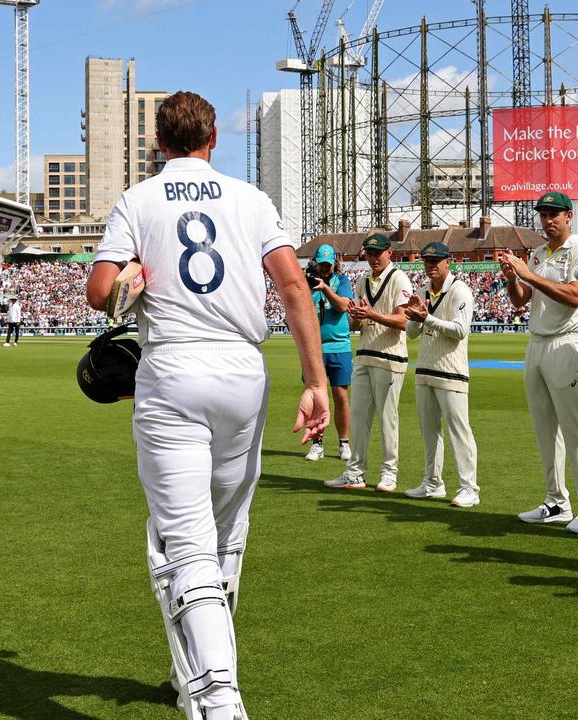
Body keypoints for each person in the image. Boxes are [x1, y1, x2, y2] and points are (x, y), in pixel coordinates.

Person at [84, 90, 328, 720]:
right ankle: (188, 670)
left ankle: (219, 700)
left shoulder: (137, 200)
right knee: (226, 535)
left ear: (158, 143)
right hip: (243, 369)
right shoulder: (250, 198)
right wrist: (315, 381)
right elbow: (293, 283)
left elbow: (99, 292)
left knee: (185, 546)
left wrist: (134, 271)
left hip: (174, 368)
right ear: (212, 138)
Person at [501, 192, 578, 527]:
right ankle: (556, 502)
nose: (547, 221)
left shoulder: (575, 249)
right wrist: (511, 278)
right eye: (543, 215)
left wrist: (529, 276)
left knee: (574, 430)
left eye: (554, 215)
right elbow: (521, 301)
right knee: (545, 430)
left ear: (569, 217)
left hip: (565, 343)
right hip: (536, 344)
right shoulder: (537, 254)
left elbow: (576, 296)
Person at [325, 232, 412, 492]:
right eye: (370, 254)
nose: (373, 258)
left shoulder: (399, 279)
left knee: (388, 418)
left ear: (389, 254)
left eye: (378, 253)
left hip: (390, 357)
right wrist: (355, 315)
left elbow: (403, 322)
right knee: (360, 417)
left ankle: (389, 473)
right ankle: (355, 472)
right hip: (364, 355)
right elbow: (357, 324)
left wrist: (371, 313)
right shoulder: (363, 281)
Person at [402, 241, 479, 507]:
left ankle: (470, 488)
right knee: (429, 431)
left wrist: (427, 319)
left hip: (452, 373)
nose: (431, 264)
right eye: (426, 260)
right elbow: (411, 334)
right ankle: (432, 483)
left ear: (449, 261)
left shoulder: (460, 291)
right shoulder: (423, 290)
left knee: (459, 430)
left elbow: (460, 330)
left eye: (436, 260)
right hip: (424, 370)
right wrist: (414, 316)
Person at [305, 244, 353, 462]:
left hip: (339, 346)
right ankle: (317, 444)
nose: (325, 268)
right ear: (315, 263)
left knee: (340, 396)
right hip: (314, 348)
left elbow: (343, 306)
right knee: (316, 397)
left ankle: (344, 443)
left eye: (328, 264)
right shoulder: (306, 283)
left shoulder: (341, 282)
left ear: (334, 264)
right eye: (321, 264)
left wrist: (325, 288)